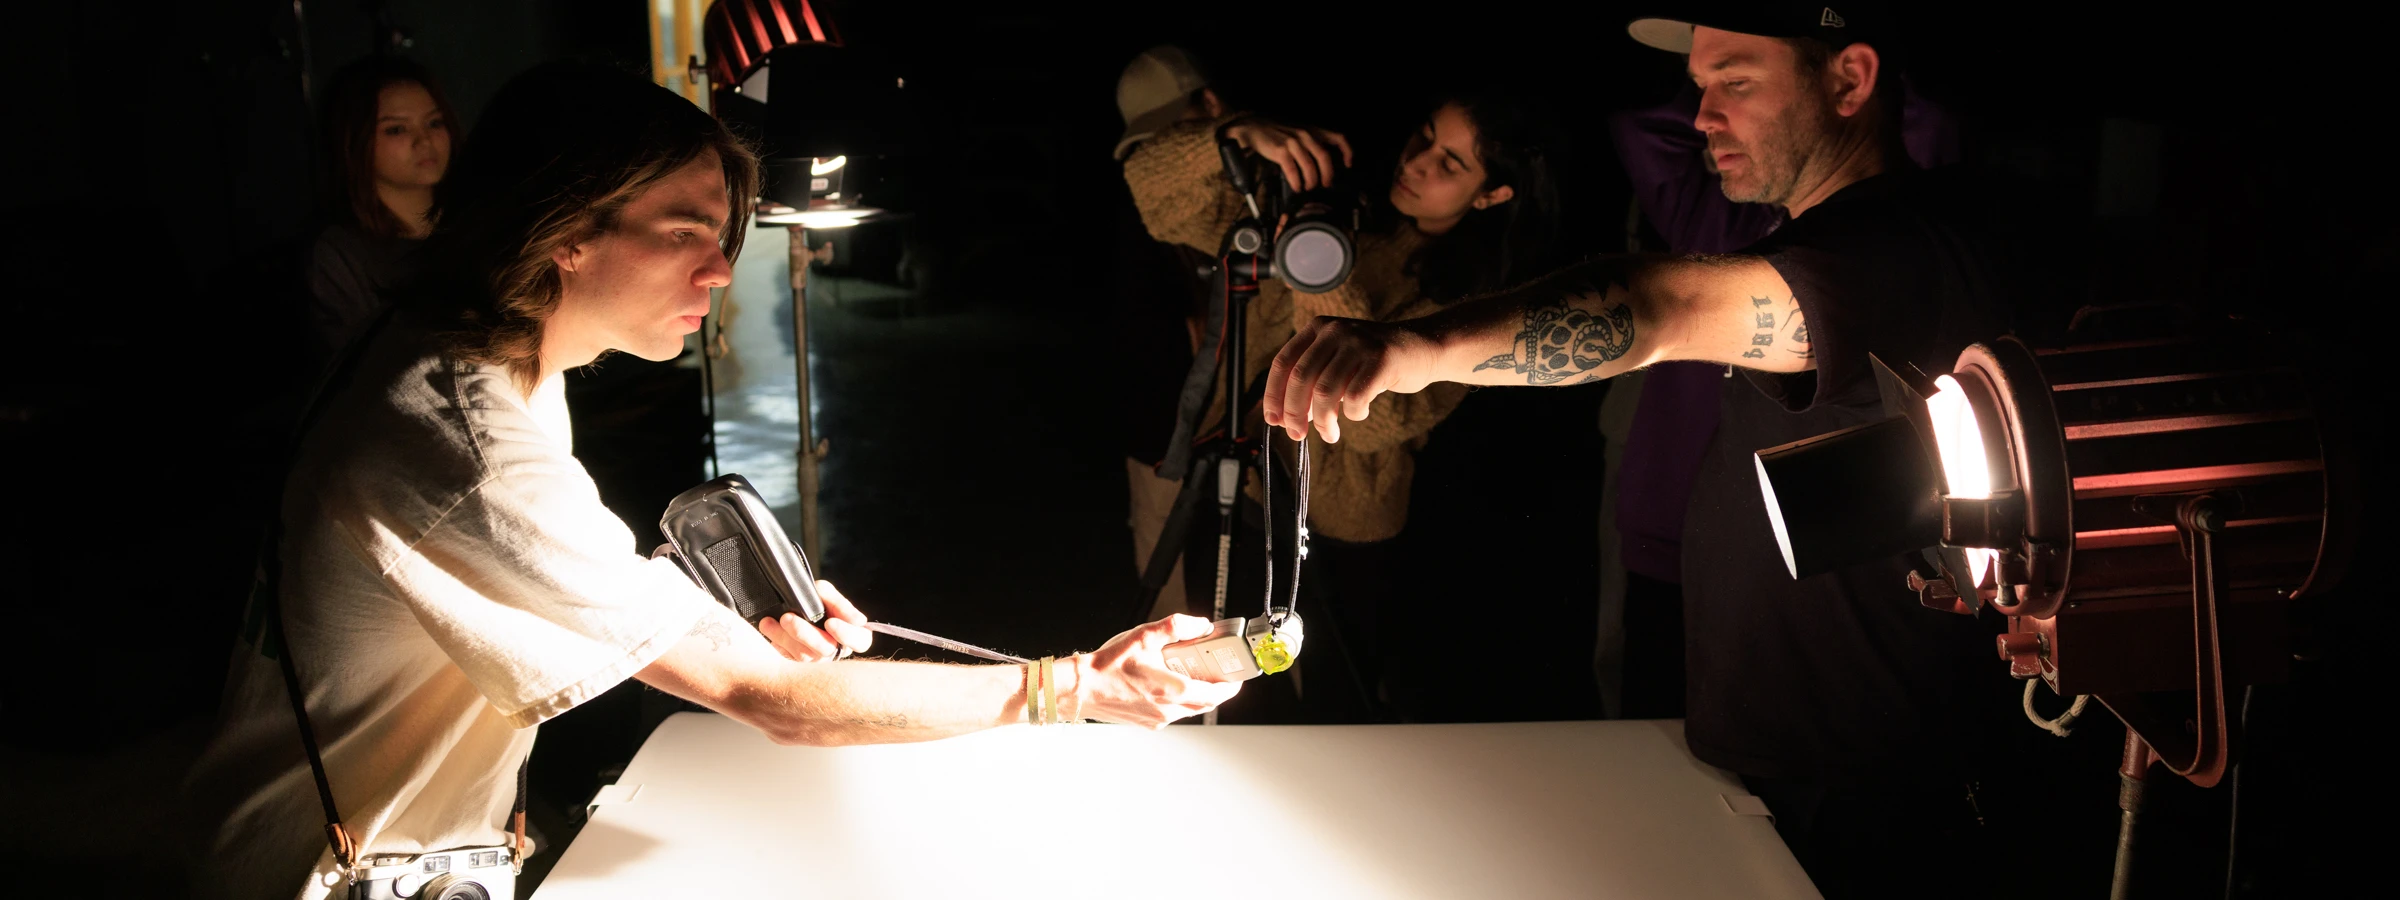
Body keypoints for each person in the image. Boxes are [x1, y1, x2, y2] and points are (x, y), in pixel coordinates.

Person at [184, 62, 1239, 900]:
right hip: (326, 872)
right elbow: (769, 697)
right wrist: (1075, 687)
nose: (723, 269)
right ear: (563, 234)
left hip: (414, 850)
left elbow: (507, 561)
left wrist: (710, 605)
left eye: (722, 231)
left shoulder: (474, 348)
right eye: (685, 231)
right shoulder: (461, 429)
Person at [1261, 9, 2028, 897]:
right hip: (1798, 761)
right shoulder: (1843, 232)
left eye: (1735, 82)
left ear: (1851, 81)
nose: (1703, 117)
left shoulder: (1886, 251)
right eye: (1699, 88)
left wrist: (1409, 348)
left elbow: (1662, 308)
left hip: (1861, 790)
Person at [1123, 86, 1564, 719]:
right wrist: (1238, 135)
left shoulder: (1478, 302)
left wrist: (1319, 272)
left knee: (1337, 709)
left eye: (1451, 163)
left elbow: (1370, 420)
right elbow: (1155, 197)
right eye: (1425, 138)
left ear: (1494, 194)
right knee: (1229, 688)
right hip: (1242, 488)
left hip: (1342, 532)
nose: (1416, 163)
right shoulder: (1342, 210)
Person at [1112, 45, 1228, 624]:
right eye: (1150, 144)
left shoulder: (1252, 194)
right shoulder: (1141, 208)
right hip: (1161, 435)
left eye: (1175, 134)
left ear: (1211, 104)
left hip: (1261, 437)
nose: (1165, 156)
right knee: (1168, 613)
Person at [303, 56, 456, 370]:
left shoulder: (474, 223)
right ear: (355, 141)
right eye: (397, 129)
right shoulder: (341, 254)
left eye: (434, 123)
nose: (424, 140)